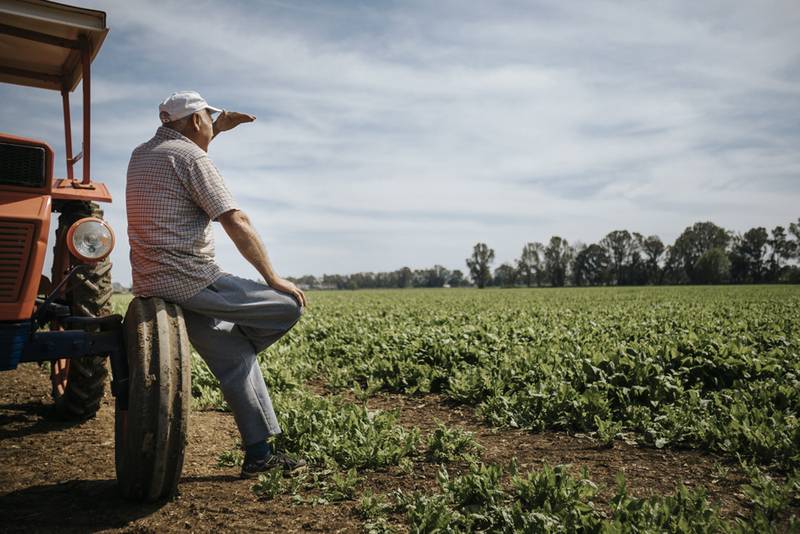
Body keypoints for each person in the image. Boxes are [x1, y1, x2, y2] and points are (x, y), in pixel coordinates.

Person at [126, 90, 307, 478]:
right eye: (209, 117)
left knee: (235, 356)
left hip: (151, 281)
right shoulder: (193, 158)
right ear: (194, 121)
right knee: (288, 305)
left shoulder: (142, 154)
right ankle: (242, 346)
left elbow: (182, 147)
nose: (213, 124)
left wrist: (218, 126)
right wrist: (272, 278)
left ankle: (260, 454)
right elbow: (234, 219)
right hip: (190, 278)